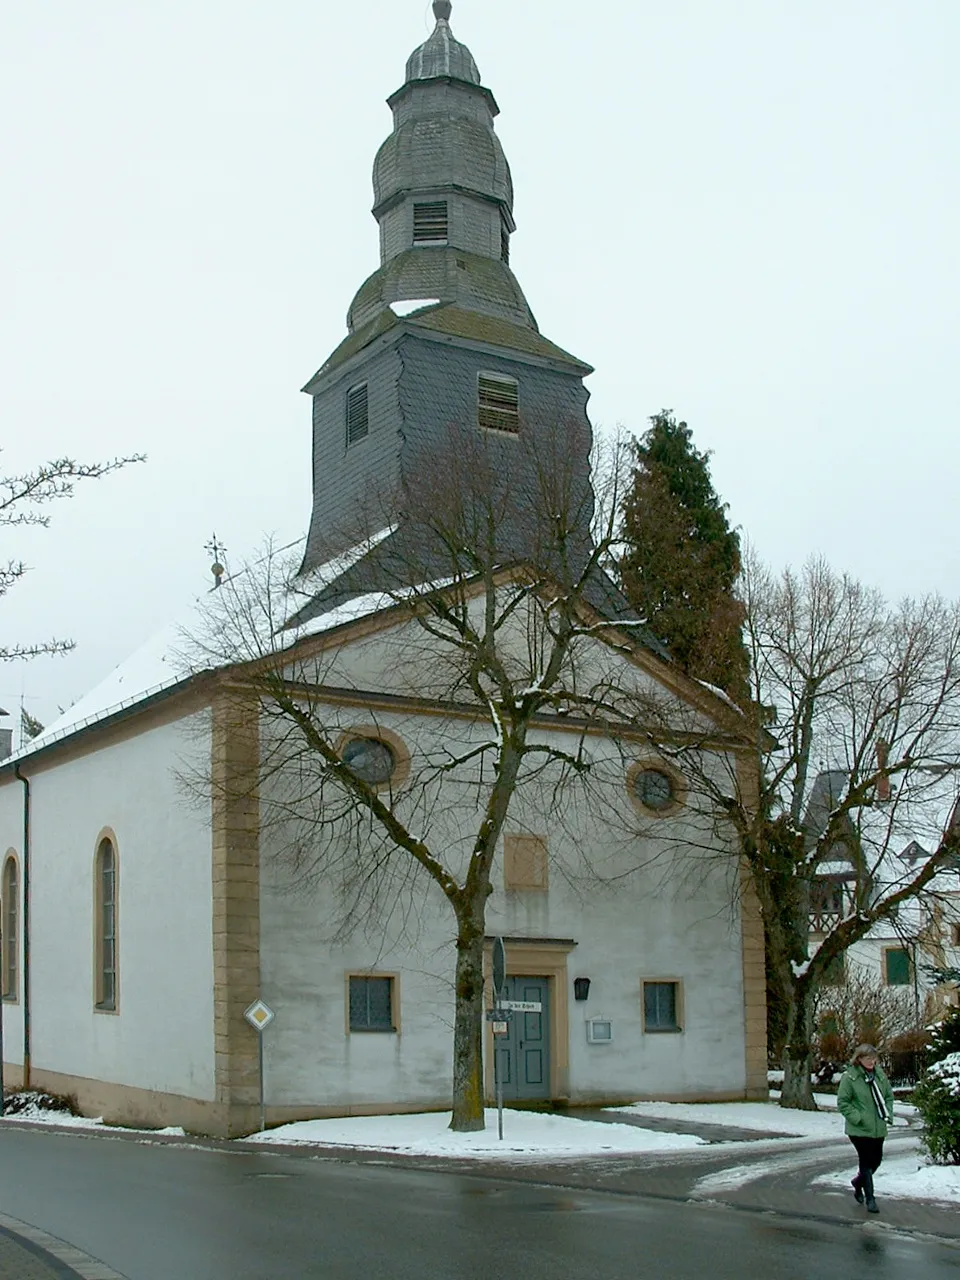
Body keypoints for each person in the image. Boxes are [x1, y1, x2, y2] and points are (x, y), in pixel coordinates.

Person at [836, 1043, 895, 1214]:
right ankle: (870, 1198)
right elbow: (843, 1102)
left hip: (878, 1126)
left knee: (876, 1160)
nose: (871, 1061)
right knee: (866, 1161)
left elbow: (889, 1097)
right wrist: (857, 1118)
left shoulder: (879, 1075)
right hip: (859, 1129)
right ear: (859, 1059)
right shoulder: (850, 1077)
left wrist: (888, 1112)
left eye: (873, 1058)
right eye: (867, 1058)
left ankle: (858, 1182)